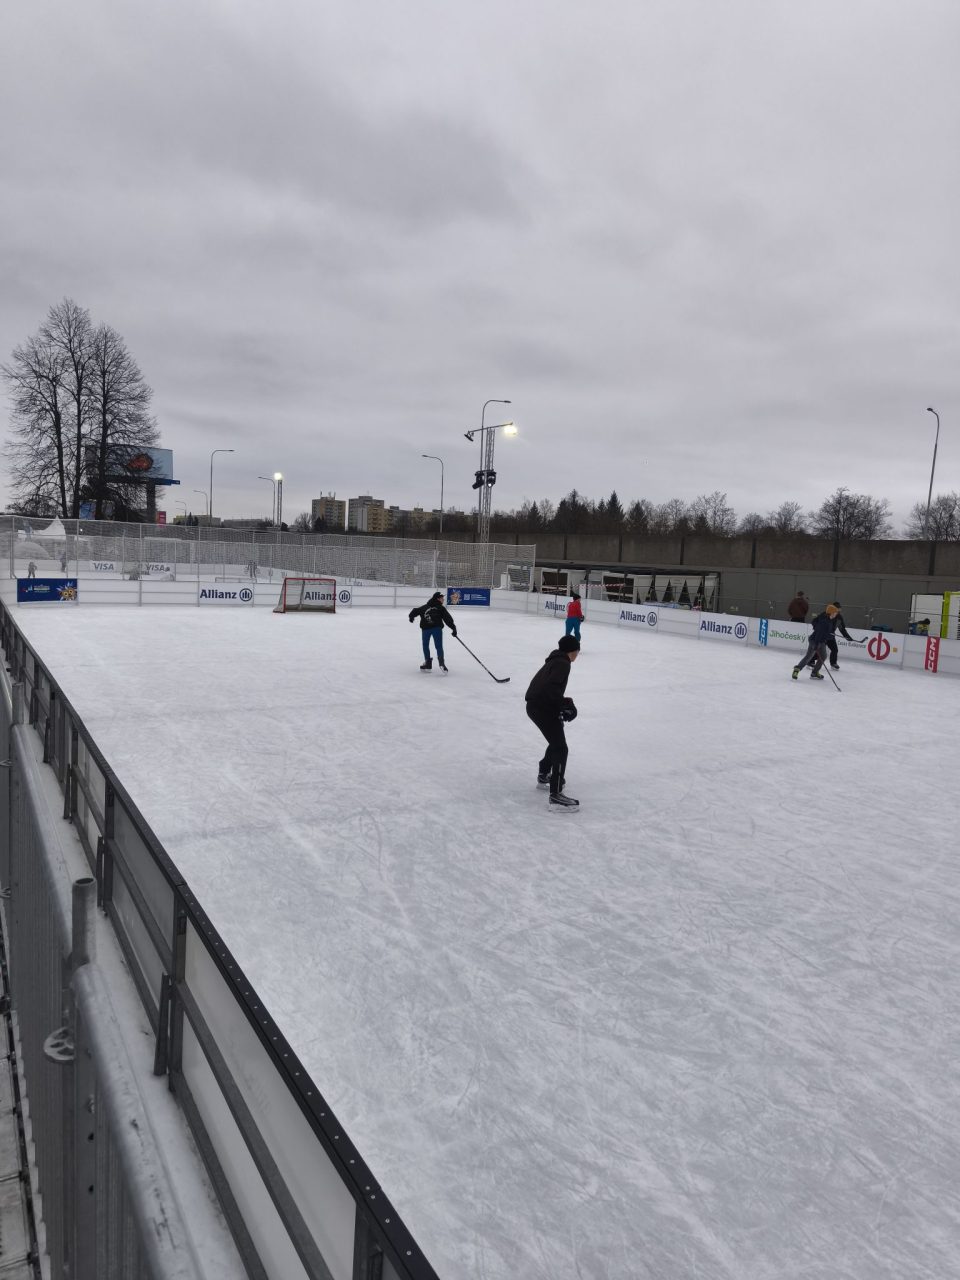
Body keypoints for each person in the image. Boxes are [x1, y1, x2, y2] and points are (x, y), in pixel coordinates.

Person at [525, 635, 580, 809]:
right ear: (572, 651)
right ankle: (555, 795)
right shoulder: (563, 663)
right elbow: (550, 689)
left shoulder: (556, 660)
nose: (578, 654)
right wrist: (566, 705)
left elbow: (548, 688)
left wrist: (562, 705)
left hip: (538, 705)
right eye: (577, 651)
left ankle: (543, 773)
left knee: (556, 739)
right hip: (541, 706)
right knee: (560, 747)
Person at [409, 590, 457, 671]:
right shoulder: (441, 608)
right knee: (438, 646)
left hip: (426, 630)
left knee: (425, 646)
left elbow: (415, 611)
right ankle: (441, 663)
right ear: (438, 599)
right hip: (436, 629)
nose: (443, 599)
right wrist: (453, 628)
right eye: (442, 598)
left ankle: (428, 663)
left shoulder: (424, 607)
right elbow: (448, 619)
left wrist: (411, 616)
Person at [792, 605, 838, 680]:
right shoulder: (825, 622)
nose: (836, 614)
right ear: (831, 613)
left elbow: (823, 632)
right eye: (835, 612)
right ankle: (797, 669)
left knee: (823, 656)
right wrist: (816, 644)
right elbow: (819, 634)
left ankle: (814, 673)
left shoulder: (828, 620)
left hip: (821, 641)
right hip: (815, 640)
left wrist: (830, 635)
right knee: (809, 656)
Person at [824, 601, 864, 669]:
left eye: (839, 608)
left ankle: (833, 663)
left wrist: (847, 637)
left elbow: (842, 629)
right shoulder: (826, 615)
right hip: (823, 635)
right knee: (820, 650)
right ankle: (811, 661)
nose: (840, 609)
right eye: (838, 608)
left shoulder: (839, 617)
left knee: (834, 650)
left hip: (831, 636)